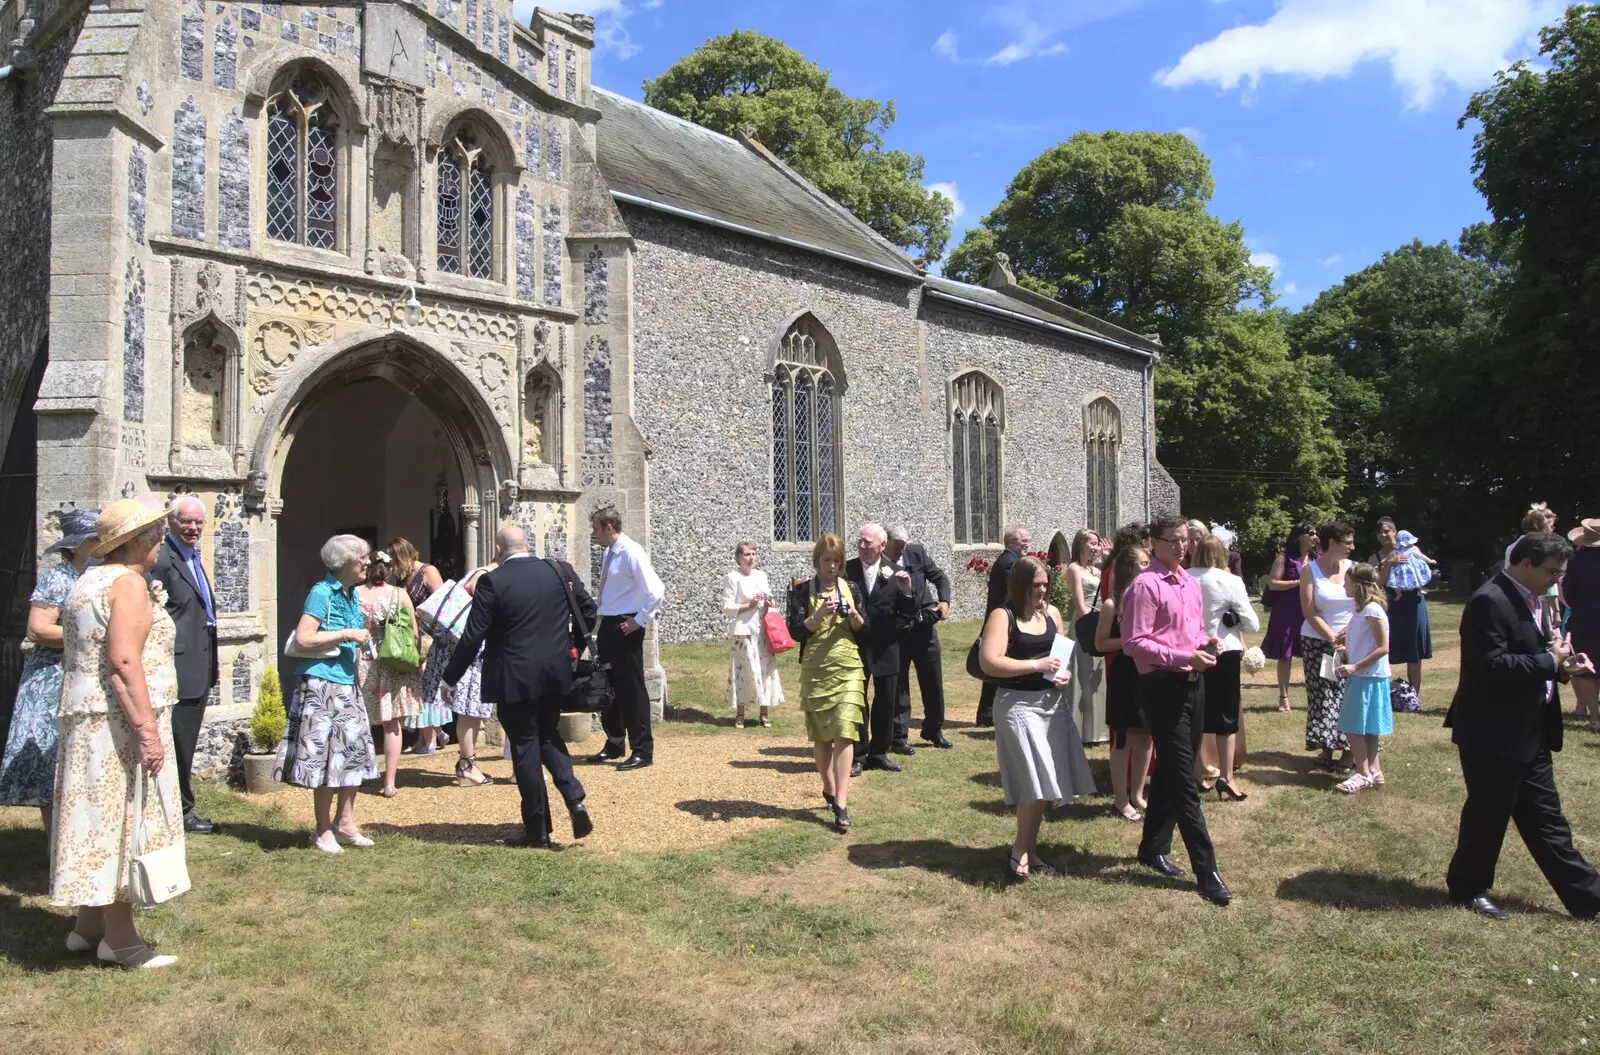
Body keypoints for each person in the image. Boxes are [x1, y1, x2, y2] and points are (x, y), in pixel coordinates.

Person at [50, 497, 182, 969]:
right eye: (156, 535)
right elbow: (124, 664)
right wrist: (147, 731)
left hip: (88, 718)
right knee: (125, 820)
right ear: (139, 541)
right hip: (117, 724)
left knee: (96, 817)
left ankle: (89, 927)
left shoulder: (89, 579)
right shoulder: (127, 584)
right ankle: (122, 941)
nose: (161, 542)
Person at [1444, 532, 1600, 921]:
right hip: (1492, 732)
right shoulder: (1489, 600)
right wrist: (1549, 662)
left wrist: (1561, 665)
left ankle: (1588, 898)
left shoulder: (1531, 597)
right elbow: (1489, 664)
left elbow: (1527, 655)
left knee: (1547, 819)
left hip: (1529, 729)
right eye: (1551, 571)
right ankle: (1467, 887)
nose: (1556, 580)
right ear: (1525, 563)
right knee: (1488, 815)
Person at [444, 526, 595, 847]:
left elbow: (473, 635)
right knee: (547, 734)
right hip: (555, 673)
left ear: (498, 548)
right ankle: (573, 797)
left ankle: (537, 830)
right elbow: (589, 611)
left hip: (513, 677)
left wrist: (450, 677)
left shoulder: (493, 581)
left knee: (525, 747)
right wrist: (572, 649)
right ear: (528, 544)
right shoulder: (556, 571)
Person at [1121, 514, 1232, 906]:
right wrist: (1186, 655)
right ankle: (1207, 871)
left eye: (1186, 540)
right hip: (1162, 688)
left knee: (1171, 769)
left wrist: (1208, 642)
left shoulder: (1188, 582)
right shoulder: (1144, 586)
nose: (1183, 547)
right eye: (1174, 541)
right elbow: (1135, 643)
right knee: (1186, 781)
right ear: (1154, 543)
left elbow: (1194, 631)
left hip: (1193, 685)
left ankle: (1152, 847)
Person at [980, 555, 1095, 881]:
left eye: (1045, 584)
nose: (1042, 591)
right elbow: (990, 662)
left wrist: (1063, 674)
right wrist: (1036, 666)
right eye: (1035, 585)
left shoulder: (1053, 614)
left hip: (1051, 705)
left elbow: (1062, 659)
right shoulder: (1004, 616)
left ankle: (1029, 850)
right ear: (1020, 585)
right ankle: (1020, 850)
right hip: (1017, 706)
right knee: (1034, 777)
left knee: (1045, 781)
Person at [275, 535, 379, 855]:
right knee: (326, 758)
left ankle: (345, 823)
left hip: (347, 682)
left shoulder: (350, 594)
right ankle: (321, 829)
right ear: (344, 563)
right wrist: (347, 633)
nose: (366, 562)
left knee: (352, 753)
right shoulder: (321, 593)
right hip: (322, 684)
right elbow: (304, 638)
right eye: (361, 558)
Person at [0, 507, 97, 827]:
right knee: (52, 767)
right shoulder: (58, 577)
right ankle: (55, 849)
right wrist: (92, 635)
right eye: (94, 537)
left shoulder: (92, 575)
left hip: (80, 673)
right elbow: (38, 629)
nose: (100, 542)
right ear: (79, 543)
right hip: (51, 682)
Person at [147, 494, 220, 835]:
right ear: (171, 523)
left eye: (198, 522)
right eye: (185, 521)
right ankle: (180, 812)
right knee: (176, 740)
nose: (193, 527)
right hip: (178, 666)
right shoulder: (163, 557)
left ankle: (179, 808)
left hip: (199, 663)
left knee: (185, 740)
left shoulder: (191, 555)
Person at [787, 532, 868, 832]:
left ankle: (842, 803)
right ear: (817, 561)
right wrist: (818, 614)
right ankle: (828, 785)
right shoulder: (801, 591)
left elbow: (864, 627)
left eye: (837, 561)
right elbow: (795, 631)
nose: (832, 566)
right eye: (826, 561)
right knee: (822, 736)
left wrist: (853, 615)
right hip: (816, 666)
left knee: (845, 731)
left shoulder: (852, 588)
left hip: (848, 665)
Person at [586, 506, 665, 771]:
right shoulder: (609, 552)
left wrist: (639, 620)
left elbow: (655, 590)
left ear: (609, 527)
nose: (593, 534)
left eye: (596, 528)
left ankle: (642, 749)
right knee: (609, 685)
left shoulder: (632, 551)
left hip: (626, 624)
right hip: (610, 622)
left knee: (632, 688)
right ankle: (615, 741)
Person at [844, 523, 919, 773]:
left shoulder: (896, 572)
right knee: (857, 701)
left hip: (887, 646)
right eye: (860, 542)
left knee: (886, 701)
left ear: (882, 546)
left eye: (868, 542)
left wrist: (906, 592)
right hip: (856, 645)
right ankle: (859, 753)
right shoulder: (847, 570)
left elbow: (909, 613)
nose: (863, 546)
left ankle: (879, 752)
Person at [1190, 535, 1259, 800]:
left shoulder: (1186, 577)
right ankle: (1226, 777)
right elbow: (1252, 624)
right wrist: (1232, 617)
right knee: (1226, 717)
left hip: (1193, 650)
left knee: (1195, 713)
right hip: (1224, 650)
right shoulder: (1229, 581)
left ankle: (1197, 772)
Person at [355, 550, 423, 797]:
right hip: (390, 661)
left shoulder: (354, 593)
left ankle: (356, 776)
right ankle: (389, 783)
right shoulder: (399, 594)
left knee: (357, 720)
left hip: (361, 659)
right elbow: (414, 634)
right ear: (389, 569)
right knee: (391, 723)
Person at [1098, 524, 1153, 821]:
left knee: (1146, 737)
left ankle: (1138, 794)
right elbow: (1100, 642)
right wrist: (1131, 641)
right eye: (1144, 563)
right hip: (1124, 674)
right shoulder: (1112, 605)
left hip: (1148, 672)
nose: (1149, 567)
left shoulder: (1151, 600)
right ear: (1131, 568)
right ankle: (1120, 800)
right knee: (1124, 740)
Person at [884, 524, 953, 749]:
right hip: (898, 631)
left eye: (904, 547)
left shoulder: (917, 552)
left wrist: (944, 602)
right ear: (885, 545)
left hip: (924, 627)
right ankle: (899, 737)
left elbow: (940, 577)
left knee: (933, 681)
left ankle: (934, 729)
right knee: (900, 685)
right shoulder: (878, 562)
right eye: (897, 548)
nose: (901, 552)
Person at [1299, 521, 1358, 771]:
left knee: (1347, 696)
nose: (1352, 547)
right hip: (1318, 643)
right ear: (1331, 543)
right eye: (1347, 542)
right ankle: (1326, 745)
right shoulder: (1309, 571)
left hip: (1353, 642)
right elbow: (1310, 611)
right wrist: (1334, 639)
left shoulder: (1354, 569)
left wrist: (1351, 634)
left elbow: (1364, 603)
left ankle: (1348, 752)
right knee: (1324, 696)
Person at [1333, 564, 1392, 794]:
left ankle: (1363, 773)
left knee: (1353, 726)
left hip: (1367, 676)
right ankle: (1374, 770)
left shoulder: (1372, 611)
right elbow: (1363, 641)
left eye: (1347, 583)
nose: (1344, 586)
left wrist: (1355, 666)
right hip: (1363, 674)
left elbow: (1383, 647)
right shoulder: (1360, 610)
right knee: (1367, 727)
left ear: (1357, 585)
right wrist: (1345, 648)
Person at [393, 538, 452, 755]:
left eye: (395, 562)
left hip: (431, 639)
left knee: (426, 687)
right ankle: (424, 737)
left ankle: (430, 739)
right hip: (411, 638)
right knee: (417, 688)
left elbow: (443, 604)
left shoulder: (428, 571)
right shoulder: (403, 578)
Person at [721, 540, 784, 729]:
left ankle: (764, 713)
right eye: (747, 554)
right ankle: (740, 713)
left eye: (754, 554)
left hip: (763, 630)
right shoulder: (732, 577)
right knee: (743, 671)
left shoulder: (761, 575)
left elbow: (769, 598)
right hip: (743, 631)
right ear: (739, 557)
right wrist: (749, 604)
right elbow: (727, 607)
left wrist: (767, 601)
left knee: (764, 670)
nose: (751, 558)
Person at [1371, 518, 1433, 700]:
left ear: (1395, 532)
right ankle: (1384, 696)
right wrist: (1390, 562)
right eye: (1380, 532)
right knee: (1385, 650)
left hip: (1414, 602)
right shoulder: (1375, 558)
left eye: (1386, 531)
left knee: (1414, 652)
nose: (1383, 535)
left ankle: (1414, 697)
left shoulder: (1411, 550)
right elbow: (1378, 584)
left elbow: (1423, 569)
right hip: (1390, 605)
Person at [976, 526, 1030, 727]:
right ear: (1011, 542)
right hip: (1003, 622)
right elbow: (1013, 594)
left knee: (994, 668)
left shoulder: (1008, 560)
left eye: (1027, 540)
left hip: (1000, 619)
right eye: (1023, 540)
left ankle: (986, 713)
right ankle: (987, 713)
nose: (1027, 543)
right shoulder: (1010, 563)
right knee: (996, 667)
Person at [1263, 521, 1316, 712]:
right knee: (1285, 656)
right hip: (1286, 612)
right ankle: (1284, 698)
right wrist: (1298, 582)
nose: (1314, 538)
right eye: (1311, 533)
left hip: (1309, 612)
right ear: (1300, 536)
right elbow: (1273, 584)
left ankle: (1315, 697)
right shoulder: (1284, 557)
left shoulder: (1317, 558)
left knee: (1312, 655)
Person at [1062, 529, 1108, 745]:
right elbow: (1080, 606)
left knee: (1097, 678)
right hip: (1085, 626)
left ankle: (1099, 729)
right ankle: (1082, 729)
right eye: (1092, 543)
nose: (1096, 547)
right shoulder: (1074, 569)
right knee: (1083, 675)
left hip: (1100, 625)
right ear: (1080, 544)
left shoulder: (1097, 571)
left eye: (1098, 544)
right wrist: (1094, 628)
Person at [1563, 520, 1600, 731]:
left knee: (1586, 668)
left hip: (1584, 618)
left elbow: (1568, 595)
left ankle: (1594, 717)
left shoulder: (1574, 563)